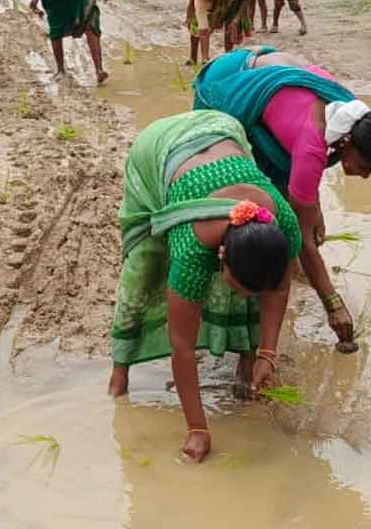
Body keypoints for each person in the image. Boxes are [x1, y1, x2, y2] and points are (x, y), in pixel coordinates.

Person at [108, 109, 303, 463]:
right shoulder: (192, 248)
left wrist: (268, 353)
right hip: (158, 148)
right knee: (143, 268)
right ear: (221, 254)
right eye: (237, 284)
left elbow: (276, 287)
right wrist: (197, 428)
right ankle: (120, 372)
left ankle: (249, 363)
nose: (244, 296)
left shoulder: (284, 223)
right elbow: (182, 347)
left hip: (222, 128)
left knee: (255, 277)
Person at [193, 48, 371, 347]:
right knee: (236, 189)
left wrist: (312, 208)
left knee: (281, 192)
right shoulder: (311, 146)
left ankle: (294, 270)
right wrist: (333, 304)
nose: (365, 176)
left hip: (260, 64)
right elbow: (300, 235)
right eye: (365, 167)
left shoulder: (348, 111)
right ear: (346, 142)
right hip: (226, 83)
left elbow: (303, 189)